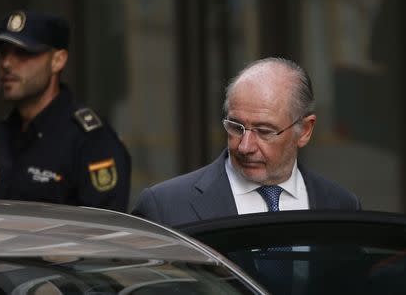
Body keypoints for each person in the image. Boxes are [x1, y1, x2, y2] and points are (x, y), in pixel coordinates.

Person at [132, 57, 361, 227]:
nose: (245, 146)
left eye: (264, 131)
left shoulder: (342, 206)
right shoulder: (165, 208)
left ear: (305, 131)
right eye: (236, 127)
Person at [0, 10, 131, 211]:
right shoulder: (8, 129)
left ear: (58, 60)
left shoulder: (92, 141)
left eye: (23, 52)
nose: (7, 63)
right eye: (2, 52)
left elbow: (103, 233)